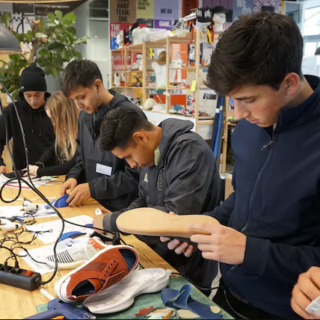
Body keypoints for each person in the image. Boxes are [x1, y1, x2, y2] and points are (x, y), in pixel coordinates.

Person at [163, 12, 320, 319]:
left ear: (289, 83)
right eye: (232, 100)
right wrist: (203, 226)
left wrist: (251, 252)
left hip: (286, 309)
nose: (236, 114)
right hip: (228, 293)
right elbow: (243, 196)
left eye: (247, 99)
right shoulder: (250, 128)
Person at [93, 106, 221, 288]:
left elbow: (173, 219)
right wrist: (122, 216)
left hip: (186, 269)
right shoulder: (151, 153)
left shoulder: (189, 150)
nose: (131, 164)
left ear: (140, 137)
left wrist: (112, 221)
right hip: (157, 259)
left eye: (128, 156)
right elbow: (143, 200)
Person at [60, 60, 141, 209]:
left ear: (97, 85)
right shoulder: (84, 116)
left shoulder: (129, 115)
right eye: (74, 100)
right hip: (92, 205)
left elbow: (136, 175)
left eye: (81, 97)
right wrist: (74, 176)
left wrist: (93, 188)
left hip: (122, 210)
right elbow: (81, 157)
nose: (78, 106)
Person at [0, 64, 55, 172]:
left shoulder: (55, 109)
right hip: (22, 175)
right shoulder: (13, 111)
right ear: (22, 93)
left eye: (37, 95)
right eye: (28, 95)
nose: (33, 101)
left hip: (52, 173)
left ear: (44, 91)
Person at [25, 91, 79, 177]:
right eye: (51, 119)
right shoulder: (65, 133)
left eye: (54, 118)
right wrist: (39, 164)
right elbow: (53, 149)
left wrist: (40, 172)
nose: (53, 123)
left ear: (65, 115)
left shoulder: (82, 132)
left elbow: (72, 164)